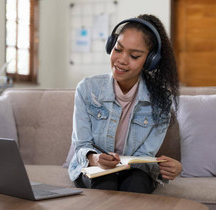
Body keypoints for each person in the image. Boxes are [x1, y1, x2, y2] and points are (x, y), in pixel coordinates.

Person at [68, 14, 182, 194]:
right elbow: (82, 145)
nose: (121, 60)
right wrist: (97, 159)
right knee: (106, 179)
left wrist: (167, 169)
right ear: (110, 45)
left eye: (134, 56)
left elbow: (145, 157)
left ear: (151, 60)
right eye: (118, 49)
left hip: (135, 172)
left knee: (136, 182)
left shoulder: (161, 101)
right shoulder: (87, 89)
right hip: (93, 167)